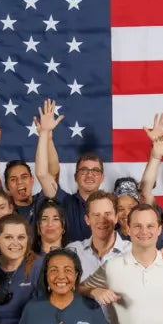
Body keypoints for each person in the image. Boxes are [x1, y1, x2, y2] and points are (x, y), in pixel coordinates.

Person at [35, 98, 104, 242]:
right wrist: (45, 134)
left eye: (95, 171)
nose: (89, 174)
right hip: (68, 264)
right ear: (75, 176)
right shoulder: (63, 201)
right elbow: (42, 174)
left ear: (102, 177)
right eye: (84, 170)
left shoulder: (111, 205)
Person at [0, 116, 61, 221]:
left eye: (24, 177)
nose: (19, 182)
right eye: (13, 179)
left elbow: (53, 174)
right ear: (7, 186)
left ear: (32, 179)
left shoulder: (43, 201)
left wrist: (47, 138)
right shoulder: (5, 208)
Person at [66, 192, 131, 279]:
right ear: (87, 220)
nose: (102, 220)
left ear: (116, 217)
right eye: (96, 215)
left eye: (107, 214)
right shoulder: (73, 251)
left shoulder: (133, 252)